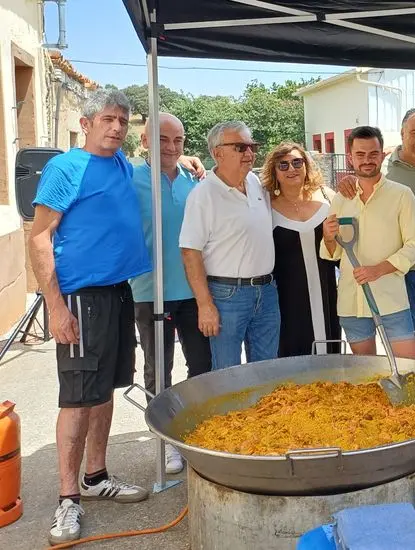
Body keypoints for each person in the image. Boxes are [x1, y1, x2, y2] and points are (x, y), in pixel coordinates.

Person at [30, 89, 151, 545]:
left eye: (122, 120)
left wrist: (191, 163)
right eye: (107, 119)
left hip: (118, 292)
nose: (117, 127)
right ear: (86, 123)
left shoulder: (119, 162)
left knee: (104, 390)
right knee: (78, 397)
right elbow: (40, 237)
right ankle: (67, 500)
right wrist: (56, 307)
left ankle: (96, 476)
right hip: (81, 295)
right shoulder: (65, 167)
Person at [336, 108, 415, 364]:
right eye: (414, 133)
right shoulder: (385, 167)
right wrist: (348, 182)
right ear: (402, 133)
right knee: (402, 356)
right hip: (400, 276)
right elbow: (364, 177)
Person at [130, 112, 212, 475]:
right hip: (150, 291)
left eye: (177, 140)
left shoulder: (194, 181)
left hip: (194, 290)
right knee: (158, 370)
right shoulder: (129, 178)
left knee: (201, 366)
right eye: (162, 139)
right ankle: (165, 442)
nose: (171, 147)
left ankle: (197, 432)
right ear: (145, 141)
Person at [180, 121, 280, 370]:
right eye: (240, 147)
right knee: (227, 375)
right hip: (227, 296)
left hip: (266, 292)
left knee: (267, 371)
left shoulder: (256, 183)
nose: (249, 153)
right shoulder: (203, 195)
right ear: (217, 153)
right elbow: (190, 252)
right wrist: (205, 305)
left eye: (251, 146)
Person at [322, 126, 415, 358]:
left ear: (382, 155)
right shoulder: (340, 199)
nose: (367, 160)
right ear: (350, 157)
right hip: (351, 303)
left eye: (373, 154)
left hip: (391, 300)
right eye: (360, 154)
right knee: (366, 376)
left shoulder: (402, 195)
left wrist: (378, 270)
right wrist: (328, 237)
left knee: (407, 370)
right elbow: (333, 253)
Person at [262, 142, 341, 357]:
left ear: (306, 166)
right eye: (283, 165)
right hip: (286, 297)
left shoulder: (327, 198)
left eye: (297, 162)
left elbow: (339, 251)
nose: (291, 169)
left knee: (330, 353)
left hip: (326, 291)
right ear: (274, 171)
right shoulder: (265, 206)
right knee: (293, 358)